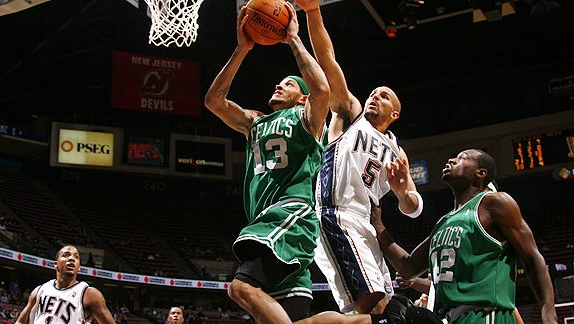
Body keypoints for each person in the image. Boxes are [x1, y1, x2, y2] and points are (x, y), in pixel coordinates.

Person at [203, 2, 330, 323]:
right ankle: (388, 317)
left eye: (287, 84)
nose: (278, 85)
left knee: (239, 288)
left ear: (301, 98)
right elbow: (213, 101)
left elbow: (322, 89)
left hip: (290, 215)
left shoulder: (307, 119)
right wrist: (242, 49)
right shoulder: (254, 122)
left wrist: (292, 39)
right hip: (265, 221)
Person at [296, 0, 423, 315]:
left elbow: (412, 208)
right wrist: (313, 12)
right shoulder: (352, 115)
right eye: (373, 92)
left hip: (367, 225)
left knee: (378, 310)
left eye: (384, 95)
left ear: (394, 113)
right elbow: (328, 60)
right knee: (372, 302)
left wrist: (402, 188)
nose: (374, 95)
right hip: (336, 214)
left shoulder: (396, 149)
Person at [371, 149, 558, 323]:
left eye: (463, 158)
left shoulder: (494, 202)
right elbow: (408, 266)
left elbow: (533, 258)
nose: (452, 160)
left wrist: (548, 309)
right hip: (450, 318)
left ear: (481, 173)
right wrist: (378, 226)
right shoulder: (444, 221)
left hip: (484, 314)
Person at [15, 245, 115, 324]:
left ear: (79, 267)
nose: (72, 259)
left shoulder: (89, 294)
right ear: (56, 264)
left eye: (76, 257)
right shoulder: (39, 290)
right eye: (66, 255)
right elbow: (20, 321)